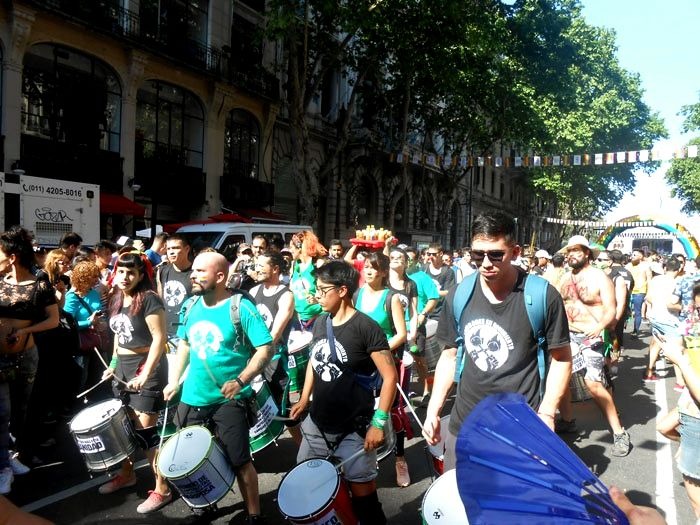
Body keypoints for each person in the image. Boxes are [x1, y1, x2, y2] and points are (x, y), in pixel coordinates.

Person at [423, 212, 571, 472]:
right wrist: (433, 411)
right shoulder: (460, 294)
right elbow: (449, 355)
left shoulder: (542, 295)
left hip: (521, 429)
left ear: (514, 251)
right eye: (478, 255)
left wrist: (547, 412)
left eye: (496, 254)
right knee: (459, 506)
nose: (486, 263)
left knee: (514, 508)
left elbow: (561, 358)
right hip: (466, 425)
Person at [163, 252, 273, 524]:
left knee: (239, 460)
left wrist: (241, 380)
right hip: (192, 396)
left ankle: (254, 514)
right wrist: (173, 380)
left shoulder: (240, 308)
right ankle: (204, 505)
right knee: (191, 459)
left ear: (220, 277)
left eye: (201, 271)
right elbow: (185, 346)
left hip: (230, 399)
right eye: (195, 271)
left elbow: (265, 348)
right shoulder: (189, 306)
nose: (194, 275)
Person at [290, 261, 397, 524]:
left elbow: (390, 376)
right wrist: (304, 399)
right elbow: (317, 362)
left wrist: (378, 424)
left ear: (342, 290)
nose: (317, 295)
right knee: (310, 489)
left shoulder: (366, 327)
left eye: (322, 289)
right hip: (317, 425)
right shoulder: (319, 323)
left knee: (365, 502)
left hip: (354, 431)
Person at [99, 252, 171, 514]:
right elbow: (118, 336)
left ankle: (162, 488)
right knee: (125, 428)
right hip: (124, 370)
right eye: (121, 271)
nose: (125, 277)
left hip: (146, 369)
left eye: (131, 272)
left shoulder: (149, 299)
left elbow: (158, 339)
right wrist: (113, 366)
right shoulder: (117, 298)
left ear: (141, 275)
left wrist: (145, 374)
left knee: (145, 433)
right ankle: (127, 474)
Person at [557, 235, 631, 457]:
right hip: (566, 335)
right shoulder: (563, 278)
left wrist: (600, 327)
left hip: (592, 337)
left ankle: (619, 432)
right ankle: (568, 420)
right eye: (569, 251)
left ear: (587, 253)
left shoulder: (600, 277)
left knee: (594, 384)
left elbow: (611, 308)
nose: (571, 254)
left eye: (577, 250)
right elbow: (558, 305)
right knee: (560, 380)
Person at [0, 227, 59, 494]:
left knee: (22, 411)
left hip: (26, 356)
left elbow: (53, 320)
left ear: (12, 256)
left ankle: (14, 457)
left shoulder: (40, 282)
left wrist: (24, 330)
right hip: (0, 358)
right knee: (2, 412)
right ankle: (3, 466)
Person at [354, 252, 410, 487]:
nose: (368, 271)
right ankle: (366, 461)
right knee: (361, 412)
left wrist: (378, 349)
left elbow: (401, 334)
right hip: (359, 364)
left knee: (391, 412)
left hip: (385, 364)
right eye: (366, 267)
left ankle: (400, 459)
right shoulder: (357, 294)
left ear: (383, 272)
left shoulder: (392, 298)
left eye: (374, 268)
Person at [249, 251, 300, 444]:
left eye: (262, 265)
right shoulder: (253, 292)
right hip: (254, 356)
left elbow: (275, 334)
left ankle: (303, 452)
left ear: (276, 269)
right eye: (257, 265)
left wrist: (260, 356)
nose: (257, 269)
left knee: (283, 407)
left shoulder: (286, 295)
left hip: (277, 359)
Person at [404, 246, 439, 401]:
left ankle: (426, 390)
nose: (408, 261)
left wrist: (423, 313)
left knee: (418, 357)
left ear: (417, 260)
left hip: (416, 325)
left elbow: (434, 297)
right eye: (406, 258)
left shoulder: (422, 278)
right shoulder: (397, 277)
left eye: (411, 258)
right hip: (397, 325)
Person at [643, 257, 681, 382]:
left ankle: (649, 371)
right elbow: (673, 304)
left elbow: (648, 297)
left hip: (655, 316)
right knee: (677, 350)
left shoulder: (655, 279)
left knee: (656, 343)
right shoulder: (678, 282)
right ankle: (680, 382)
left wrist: (653, 307)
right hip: (670, 318)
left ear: (665, 268)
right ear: (679, 269)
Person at [155, 234, 193, 347]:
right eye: (168, 248)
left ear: (187, 249)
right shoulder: (162, 271)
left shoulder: (195, 272)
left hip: (187, 332)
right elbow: (160, 301)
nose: (171, 252)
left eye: (176, 248)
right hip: (166, 331)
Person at [289, 231, 327, 330]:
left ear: (300, 247)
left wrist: (317, 299)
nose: (290, 250)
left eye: (291, 247)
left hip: (318, 319)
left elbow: (330, 291)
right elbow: (291, 289)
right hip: (298, 319)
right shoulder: (294, 264)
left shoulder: (317, 264)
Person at [626, 249, 652, 336]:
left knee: (637, 312)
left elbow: (649, 280)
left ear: (640, 257)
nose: (632, 256)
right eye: (632, 255)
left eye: (635, 255)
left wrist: (649, 294)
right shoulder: (628, 266)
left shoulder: (646, 266)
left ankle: (635, 330)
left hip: (640, 292)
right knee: (625, 310)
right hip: (628, 291)